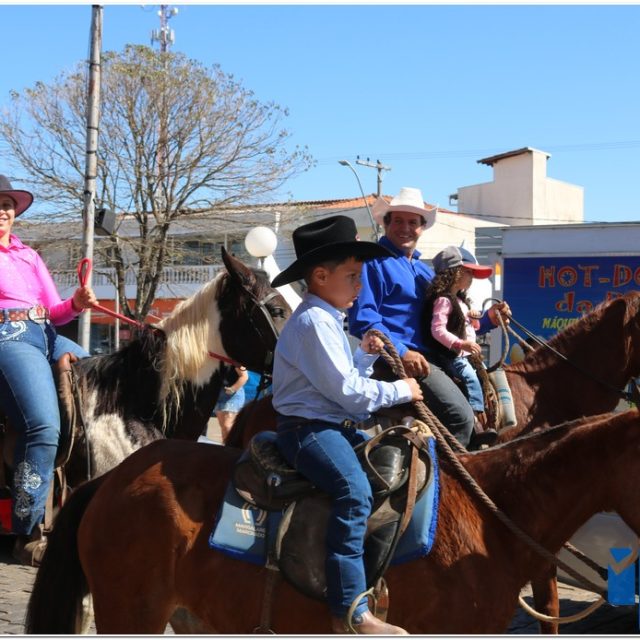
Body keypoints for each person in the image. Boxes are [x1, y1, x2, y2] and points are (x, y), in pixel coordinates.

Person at [271, 215, 422, 635]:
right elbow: (348, 394)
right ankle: (350, 610)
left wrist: (366, 356)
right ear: (321, 276)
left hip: (326, 424)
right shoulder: (314, 322)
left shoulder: (326, 318)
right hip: (308, 430)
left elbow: (341, 379)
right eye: (353, 277)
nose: (360, 285)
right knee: (354, 494)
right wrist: (402, 390)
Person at [348, 187, 510, 450]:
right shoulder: (372, 263)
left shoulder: (424, 271)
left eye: (413, 222)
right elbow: (364, 320)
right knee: (459, 416)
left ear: (422, 228)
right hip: (397, 361)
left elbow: (446, 324)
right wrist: (402, 353)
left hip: (433, 357)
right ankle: (449, 475)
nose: (405, 228)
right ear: (385, 224)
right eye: (398, 221)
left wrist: (490, 320)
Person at [0, 174, 97, 565]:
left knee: (103, 382)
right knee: (42, 426)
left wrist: (76, 303)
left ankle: (89, 506)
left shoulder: (29, 255)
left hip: (47, 334)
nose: (2, 211)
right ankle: (27, 533)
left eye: (7, 204)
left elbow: (55, 313)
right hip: (9, 336)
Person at [424, 245, 493, 420]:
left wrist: (474, 319)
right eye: (468, 272)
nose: (472, 277)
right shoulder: (444, 300)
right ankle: (476, 416)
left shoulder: (461, 301)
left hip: (466, 355)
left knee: (487, 375)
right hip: (453, 356)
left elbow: (471, 328)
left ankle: (488, 409)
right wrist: (460, 344)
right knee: (471, 378)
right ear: (454, 272)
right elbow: (437, 329)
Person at [214, 364, 249, 442]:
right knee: (224, 427)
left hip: (233, 396)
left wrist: (233, 389)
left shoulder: (235, 360)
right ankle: (225, 446)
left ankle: (229, 446)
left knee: (227, 426)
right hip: (219, 394)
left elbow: (244, 377)